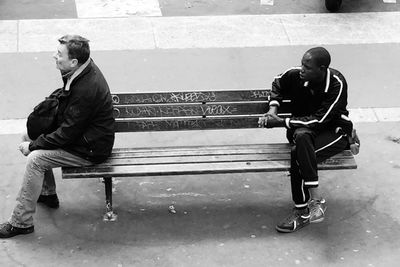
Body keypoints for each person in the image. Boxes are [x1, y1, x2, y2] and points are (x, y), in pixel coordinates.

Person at [0, 35, 115, 238]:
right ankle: (47, 193)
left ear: (73, 61)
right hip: (82, 138)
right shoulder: (81, 69)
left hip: (90, 149)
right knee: (28, 135)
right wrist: (35, 139)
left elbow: (67, 134)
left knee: (35, 159)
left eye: (59, 54)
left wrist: (34, 146)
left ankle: (21, 222)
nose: (55, 56)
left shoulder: (87, 88)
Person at [258, 47, 355, 233]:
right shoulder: (297, 76)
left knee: (299, 154)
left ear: (322, 68)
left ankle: (303, 211)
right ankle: (314, 204)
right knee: (301, 140)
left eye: (307, 67)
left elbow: (320, 119)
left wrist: (282, 122)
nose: (302, 69)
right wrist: (273, 108)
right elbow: (278, 81)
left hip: (333, 133)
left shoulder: (336, 84)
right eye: (302, 63)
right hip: (304, 132)